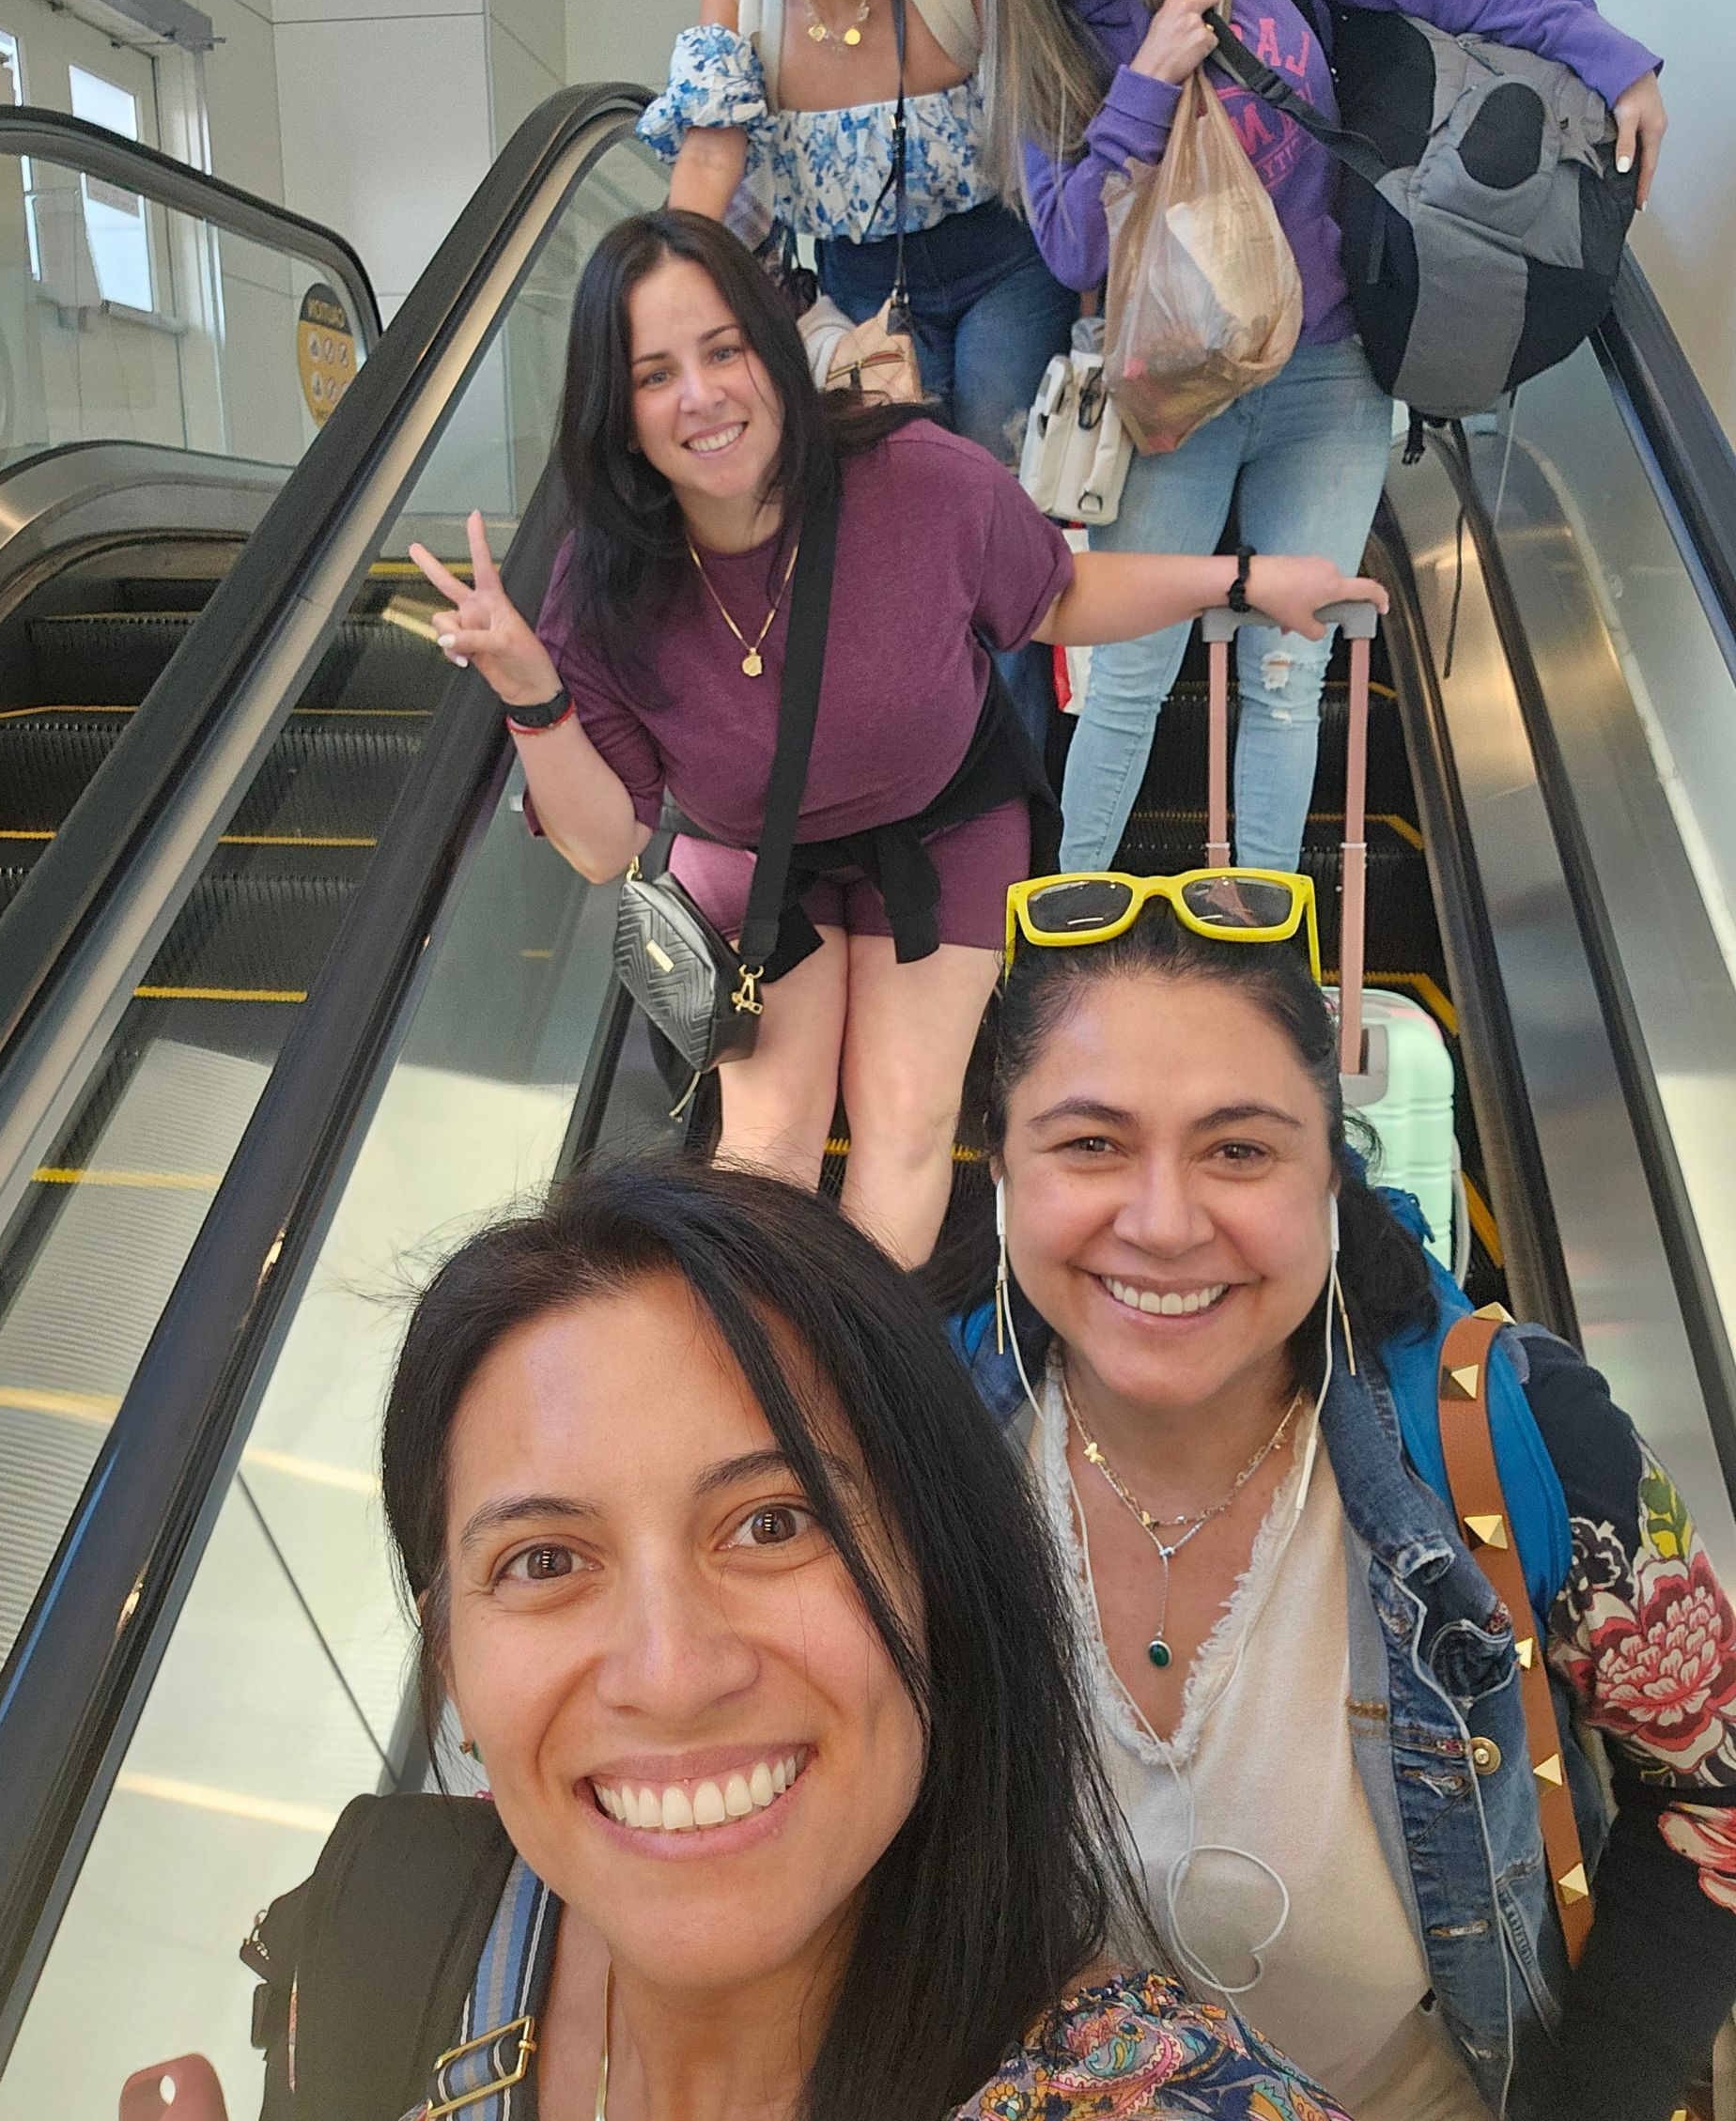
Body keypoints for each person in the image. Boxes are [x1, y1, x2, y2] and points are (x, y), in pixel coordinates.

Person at [246, 1159, 1360, 2120]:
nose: (671, 1674)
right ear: (450, 1663)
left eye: (774, 1524)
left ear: (942, 1580)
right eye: (545, 1560)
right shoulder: (386, 1937)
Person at [407, 209, 1384, 1265]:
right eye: (655, 373)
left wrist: (1243, 578)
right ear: (618, 409)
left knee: (908, 1124)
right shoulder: (606, 578)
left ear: (773, 352)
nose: (703, 395)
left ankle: (870, 1384)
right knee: (764, 1149)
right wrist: (529, 688)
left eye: (725, 348)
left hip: (943, 827)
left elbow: (1055, 594)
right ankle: (780, 1380)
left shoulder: (916, 479)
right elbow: (603, 844)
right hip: (753, 853)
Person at [944, 877, 1736, 2120]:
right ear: (1000, 1156)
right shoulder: (905, 1435)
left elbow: (1716, 1792)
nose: (1160, 1222)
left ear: (1329, 1165)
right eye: (1090, 1143)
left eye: (1240, 1148)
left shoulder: (1504, 1429)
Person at [974, 0, 1668, 874]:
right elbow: (1069, 246)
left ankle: (1259, 948)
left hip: (1333, 368)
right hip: (1173, 393)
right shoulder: (1042, 50)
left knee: (1288, 681)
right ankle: (1064, 948)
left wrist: (1615, 59)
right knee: (1133, 676)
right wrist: (1146, 80)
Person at [638, 0, 1078, 750]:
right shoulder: (737, 0)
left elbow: (1059, 121)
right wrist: (644, 317)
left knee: (990, 497)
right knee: (890, 522)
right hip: (858, 288)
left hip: (1000, 265)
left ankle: (1014, 778)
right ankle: (922, 770)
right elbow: (707, 168)